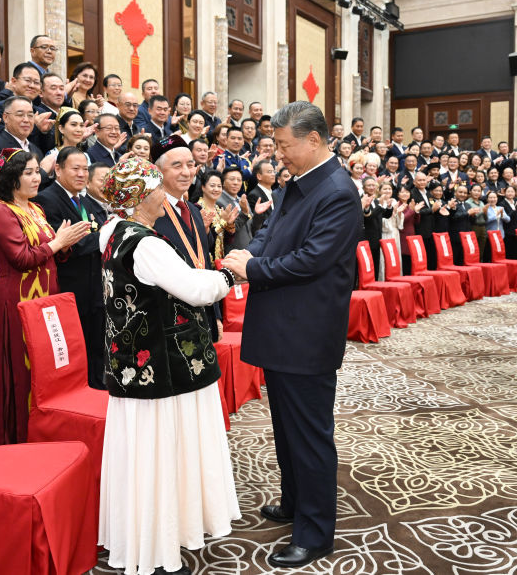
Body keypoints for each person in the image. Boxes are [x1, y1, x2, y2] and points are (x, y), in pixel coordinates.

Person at [222, 101, 361, 569]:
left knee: (310, 435)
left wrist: (254, 269)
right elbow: (268, 233)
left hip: (307, 332)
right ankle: (294, 500)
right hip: (283, 326)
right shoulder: (298, 182)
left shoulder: (337, 191)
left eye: (284, 145)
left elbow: (313, 259)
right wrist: (249, 256)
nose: (278, 154)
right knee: (286, 428)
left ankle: (315, 532)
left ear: (313, 139)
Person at [98, 156, 239, 575]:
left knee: (144, 455)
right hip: (165, 364)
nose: (165, 195)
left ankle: (149, 536)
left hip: (131, 361)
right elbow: (196, 290)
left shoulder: (112, 231)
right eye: (157, 187)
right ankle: (159, 547)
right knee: (162, 454)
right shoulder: (147, 244)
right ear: (139, 197)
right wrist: (230, 276)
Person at [0, 148, 90, 444]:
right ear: (11, 178)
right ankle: (16, 436)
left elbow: (49, 253)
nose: (36, 178)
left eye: (36, 172)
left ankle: (43, 430)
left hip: (44, 297)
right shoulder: (0, 212)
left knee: (42, 365)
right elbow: (21, 258)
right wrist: (57, 243)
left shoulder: (36, 209)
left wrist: (64, 244)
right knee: (19, 368)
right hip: (14, 299)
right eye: (28, 173)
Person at [34, 146, 108, 389]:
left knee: (96, 347)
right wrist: (103, 236)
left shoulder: (86, 201)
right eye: (75, 169)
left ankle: (97, 391)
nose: (81, 174)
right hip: (69, 288)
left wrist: (100, 236)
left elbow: (93, 237)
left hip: (95, 289)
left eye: (85, 169)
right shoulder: (46, 199)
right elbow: (66, 245)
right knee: (76, 349)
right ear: (58, 169)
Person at [152, 135, 225, 343]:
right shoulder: (150, 213)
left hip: (203, 317)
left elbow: (204, 263)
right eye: (177, 166)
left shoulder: (194, 211)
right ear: (158, 171)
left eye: (191, 165)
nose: (186, 172)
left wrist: (215, 315)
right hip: (169, 323)